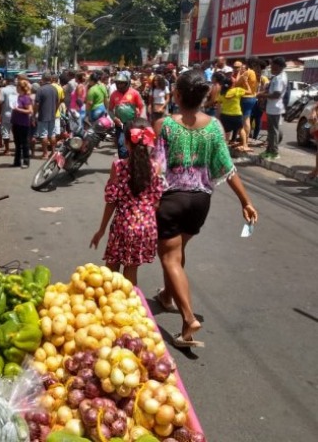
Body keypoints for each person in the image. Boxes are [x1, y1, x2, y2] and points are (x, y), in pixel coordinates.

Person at [153, 70, 258, 348]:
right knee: (177, 251)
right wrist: (245, 201)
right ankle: (166, 296)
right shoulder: (215, 127)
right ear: (203, 96)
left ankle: (188, 320)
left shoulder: (163, 125)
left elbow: (156, 169)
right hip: (200, 202)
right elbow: (227, 167)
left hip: (171, 200)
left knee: (170, 258)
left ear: (176, 95)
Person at [89, 118, 163, 285]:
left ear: (127, 143)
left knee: (111, 271)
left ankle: (111, 305)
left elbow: (111, 201)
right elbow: (156, 202)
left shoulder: (118, 166)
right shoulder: (156, 167)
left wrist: (101, 230)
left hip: (123, 225)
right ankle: (130, 306)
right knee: (131, 271)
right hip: (146, 226)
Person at [108, 73, 145, 159]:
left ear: (127, 83)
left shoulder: (135, 93)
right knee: (121, 144)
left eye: (122, 83)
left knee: (134, 144)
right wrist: (114, 118)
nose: (119, 85)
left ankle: (133, 162)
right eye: (118, 83)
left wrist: (141, 120)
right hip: (120, 124)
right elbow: (110, 110)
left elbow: (142, 107)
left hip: (133, 123)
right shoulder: (114, 94)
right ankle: (123, 164)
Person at [258, 57, 288, 160]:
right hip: (273, 107)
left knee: (273, 131)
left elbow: (276, 94)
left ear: (278, 66)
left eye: (273, 65)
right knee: (272, 130)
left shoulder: (279, 78)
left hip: (275, 108)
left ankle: (274, 152)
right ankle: (269, 150)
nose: (271, 67)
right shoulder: (279, 76)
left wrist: (262, 95)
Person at [34, 72, 59, 159]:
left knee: (43, 135)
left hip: (43, 115)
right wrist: (55, 111)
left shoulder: (40, 90)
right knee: (52, 134)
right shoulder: (54, 89)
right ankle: (53, 152)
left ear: (43, 79)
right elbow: (57, 102)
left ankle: (45, 153)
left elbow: (36, 104)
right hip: (52, 115)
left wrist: (34, 114)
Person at [216, 73, 246, 146]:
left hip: (225, 115)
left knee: (226, 131)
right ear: (232, 84)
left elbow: (219, 106)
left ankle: (224, 145)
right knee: (241, 129)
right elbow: (250, 91)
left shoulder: (222, 93)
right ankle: (245, 144)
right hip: (237, 114)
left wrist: (218, 117)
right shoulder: (237, 90)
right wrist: (246, 83)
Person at [234, 59, 257, 152]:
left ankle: (245, 142)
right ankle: (244, 141)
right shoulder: (253, 72)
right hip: (252, 98)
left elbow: (236, 82)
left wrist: (239, 73)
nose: (240, 69)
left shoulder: (246, 73)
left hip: (246, 98)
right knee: (246, 119)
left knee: (245, 120)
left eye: (241, 67)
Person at [11, 80, 34, 168]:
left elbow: (30, 110)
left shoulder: (26, 98)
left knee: (24, 143)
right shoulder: (17, 97)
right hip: (15, 122)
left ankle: (26, 161)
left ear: (21, 88)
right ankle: (17, 161)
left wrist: (18, 109)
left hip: (23, 123)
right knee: (17, 143)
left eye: (17, 86)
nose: (16, 88)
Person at [0, 77, 18, 156]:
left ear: (7, 81)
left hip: (6, 114)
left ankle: (7, 149)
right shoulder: (18, 90)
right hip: (17, 114)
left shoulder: (4, 90)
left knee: (5, 132)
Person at [250, 59, 269, 142]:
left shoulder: (264, 79)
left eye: (257, 68)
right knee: (249, 118)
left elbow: (266, 89)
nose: (256, 70)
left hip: (259, 102)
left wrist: (258, 94)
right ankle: (248, 135)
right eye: (254, 68)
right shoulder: (251, 77)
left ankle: (255, 137)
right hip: (251, 100)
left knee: (258, 119)